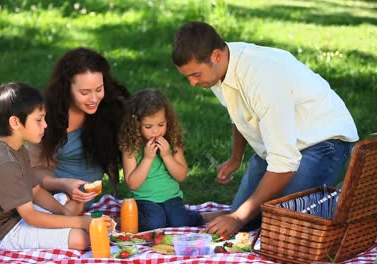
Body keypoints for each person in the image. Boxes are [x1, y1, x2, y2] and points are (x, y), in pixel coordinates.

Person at [172, 21, 359, 235]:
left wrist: (238, 217)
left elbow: (285, 163)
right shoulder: (218, 71)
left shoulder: (261, 76)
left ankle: (348, 204)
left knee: (281, 228)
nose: (192, 83)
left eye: (195, 75)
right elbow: (238, 113)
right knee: (245, 220)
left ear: (216, 56)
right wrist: (236, 158)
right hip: (279, 145)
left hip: (323, 142)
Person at [0, 82, 114, 260]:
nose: (45, 125)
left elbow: (36, 190)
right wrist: (80, 222)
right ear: (15, 122)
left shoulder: (18, 149)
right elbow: (31, 216)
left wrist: (65, 213)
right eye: (39, 120)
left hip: (19, 215)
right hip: (4, 232)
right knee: (82, 239)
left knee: (73, 203)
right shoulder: (3, 162)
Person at [27, 46, 129, 210]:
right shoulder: (48, 116)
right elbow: (33, 170)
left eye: (99, 89)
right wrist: (64, 184)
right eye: (85, 92)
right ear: (66, 89)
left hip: (78, 203)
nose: (94, 98)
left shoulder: (112, 110)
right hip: (48, 193)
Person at [118, 89, 204, 231]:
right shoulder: (131, 146)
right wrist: (147, 158)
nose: (155, 131)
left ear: (167, 121)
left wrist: (166, 156)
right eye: (148, 126)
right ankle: (128, 218)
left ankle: (202, 216)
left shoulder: (172, 140)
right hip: (144, 200)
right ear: (136, 124)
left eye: (161, 124)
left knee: (179, 221)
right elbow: (133, 183)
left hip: (171, 197)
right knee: (154, 223)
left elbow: (181, 175)